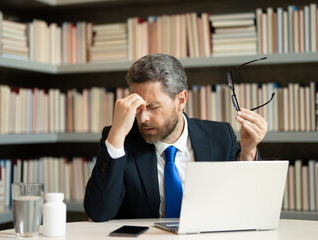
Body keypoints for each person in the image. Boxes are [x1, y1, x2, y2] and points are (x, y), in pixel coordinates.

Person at [84, 54, 268, 222]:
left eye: (152, 107)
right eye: (138, 107)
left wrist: (249, 151)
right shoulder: (121, 139)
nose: (142, 118)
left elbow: (248, 206)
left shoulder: (220, 136)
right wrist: (116, 135)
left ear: (181, 100)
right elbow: (99, 212)